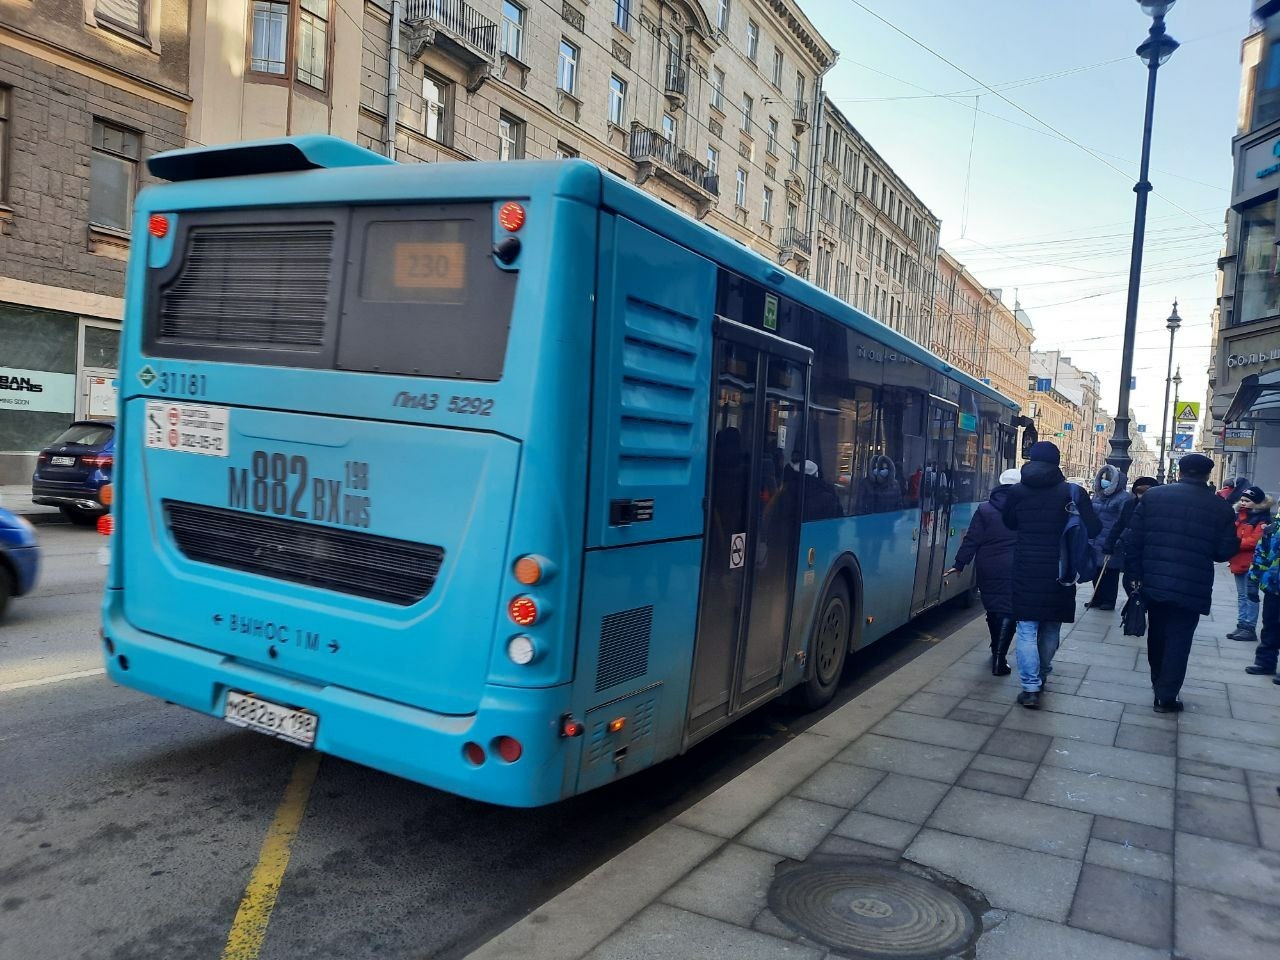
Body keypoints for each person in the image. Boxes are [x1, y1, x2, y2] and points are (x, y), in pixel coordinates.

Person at [1124, 453, 1239, 713]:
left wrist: (1133, 576)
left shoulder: (1153, 497)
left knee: (1157, 633)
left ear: (1180, 470)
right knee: (1180, 638)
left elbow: (1133, 540)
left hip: (1154, 579)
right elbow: (1223, 552)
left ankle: (1158, 683)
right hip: (1192, 584)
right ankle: (1166, 695)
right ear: (1207, 475)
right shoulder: (1219, 506)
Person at [1002, 441, 1101, 710]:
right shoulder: (1073, 492)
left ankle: (1030, 687)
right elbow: (1093, 529)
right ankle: (1042, 675)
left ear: (1031, 460)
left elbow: (1009, 523)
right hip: (1062, 569)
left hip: (1026, 568)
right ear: (1057, 463)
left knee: (1026, 627)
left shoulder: (1018, 491)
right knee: (1051, 625)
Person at [947, 468, 1020, 676]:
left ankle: (995, 645)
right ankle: (999, 657)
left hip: (987, 565)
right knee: (1009, 610)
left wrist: (960, 564)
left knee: (993, 609)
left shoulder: (985, 509)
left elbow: (972, 539)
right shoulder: (1024, 508)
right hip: (1015, 565)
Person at [1227, 486, 1273, 643]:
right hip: (1238, 561)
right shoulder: (1241, 517)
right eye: (1242, 500)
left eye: (1247, 501)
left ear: (1257, 503)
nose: (1243, 503)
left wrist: (1234, 543)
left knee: (1250, 596)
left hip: (1253, 563)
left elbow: (1254, 541)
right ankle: (1242, 624)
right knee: (1242, 595)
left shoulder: (1262, 520)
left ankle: (1249, 627)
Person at [1085, 464, 1132, 611]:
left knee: (1111, 571)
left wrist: (1118, 540)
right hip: (1096, 538)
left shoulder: (1124, 498)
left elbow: (1125, 521)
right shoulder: (1098, 494)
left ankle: (1109, 600)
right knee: (1096, 569)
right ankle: (1097, 598)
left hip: (1112, 539)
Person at [1103, 476, 1158, 600]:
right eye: (1139, 492)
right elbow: (1119, 525)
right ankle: (1134, 606)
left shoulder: (1159, 507)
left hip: (1150, 551)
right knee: (1129, 581)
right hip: (1132, 550)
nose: (1141, 495)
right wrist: (1109, 545)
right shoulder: (1130, 505)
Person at [1244, 516, 1280, 682]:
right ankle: (1266, 662)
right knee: (1270, 625)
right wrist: (1253, 579)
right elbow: (1261, 554)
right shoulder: (1272, 528)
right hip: (1273, 586)